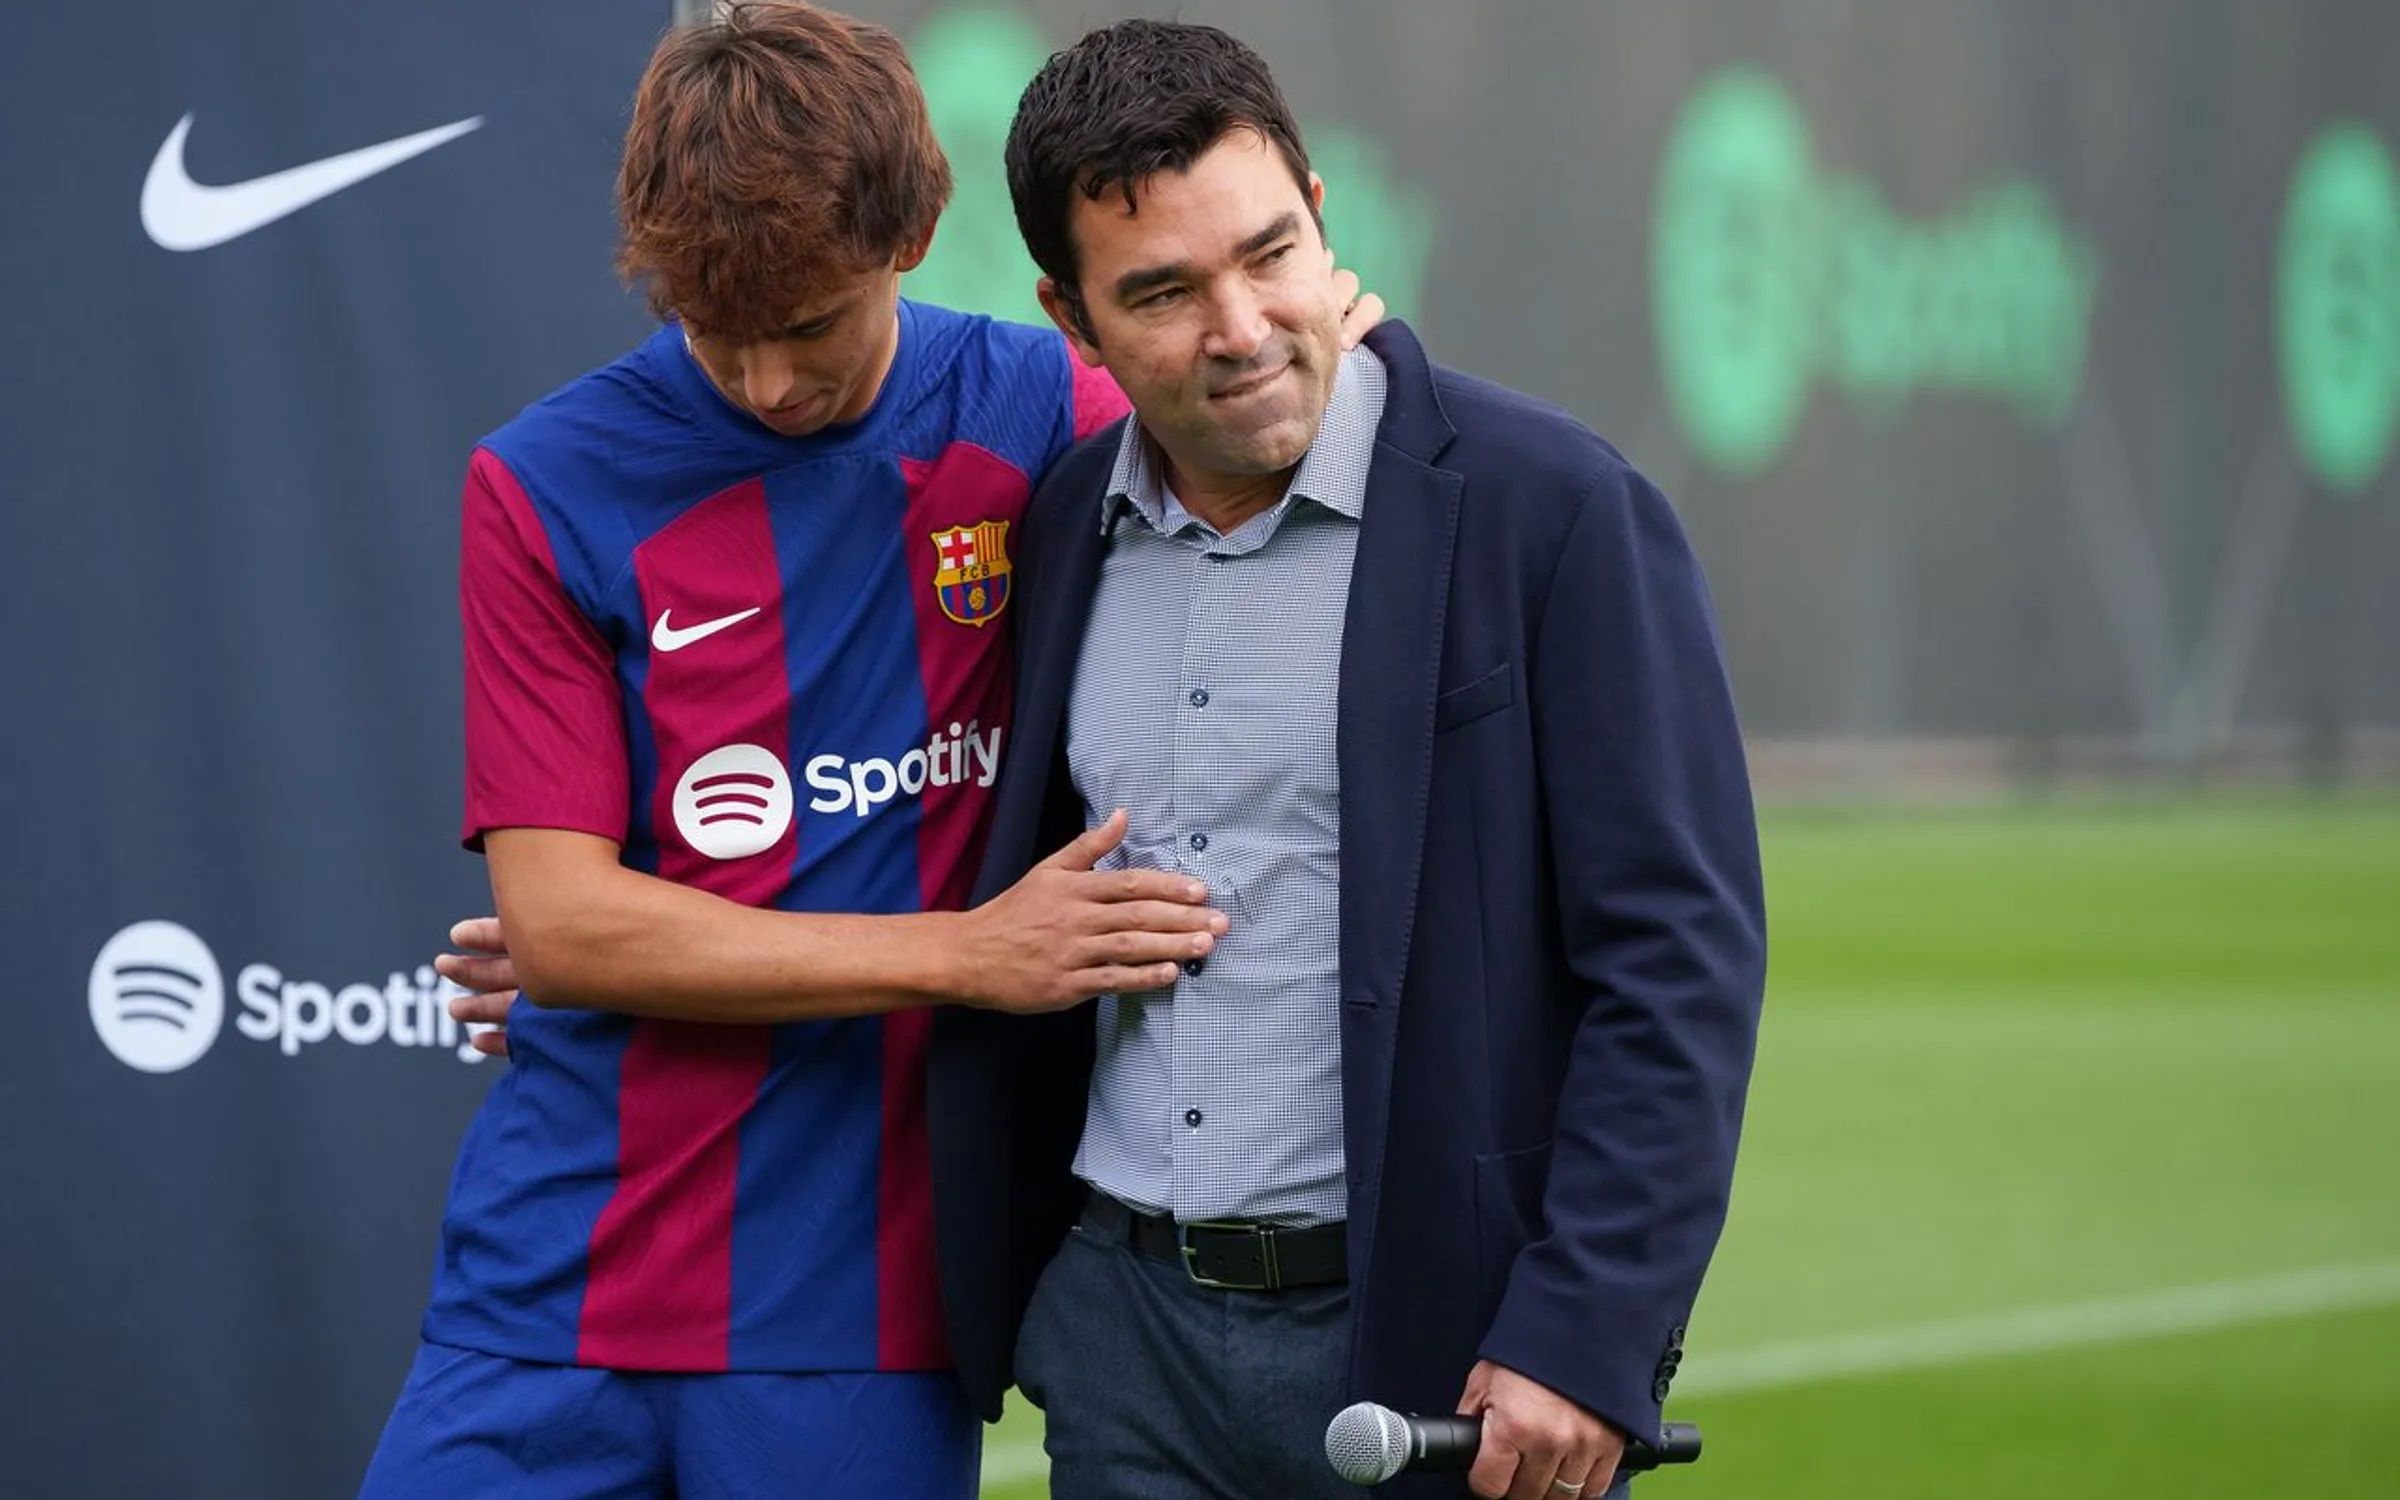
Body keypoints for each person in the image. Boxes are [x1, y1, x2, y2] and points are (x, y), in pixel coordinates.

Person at [363, 5, 1378, 1496]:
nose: (769, 384)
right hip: (547, 1282)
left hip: (861, 1314)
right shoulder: (543, 480)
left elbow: (1284, 452)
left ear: (910, 238)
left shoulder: (1045, 414)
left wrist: (1348, 345)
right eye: (718, 334)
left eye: (810, 328)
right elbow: (567, 924)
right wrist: (964, 952)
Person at [926, 21, 1768, 1500]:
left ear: (1324, 214)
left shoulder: (1553, 511)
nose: (1242, 327)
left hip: (1440, 1366)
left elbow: (1679, 960)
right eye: (1165, 293)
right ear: (1074, 319)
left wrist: (1590, 1328)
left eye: (1268, 253)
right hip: (1126, 1353)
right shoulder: (1061, 530)